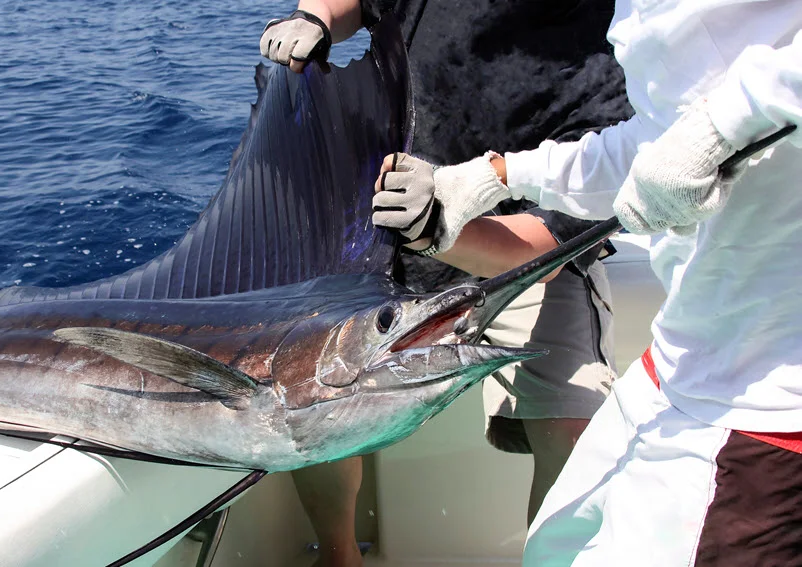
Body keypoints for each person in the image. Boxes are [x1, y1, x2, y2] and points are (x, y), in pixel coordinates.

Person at [373, 1, 802, 564]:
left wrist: (720, 126)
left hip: (766, 409)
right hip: (680, 361)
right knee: (558, 548)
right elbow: (652, 141)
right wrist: (495, 177)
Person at [260, 1, 631, 565]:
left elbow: (550, 242)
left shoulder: (610, 57)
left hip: (518, 255)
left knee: (575, 416)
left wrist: (442, 228)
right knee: (312, 386)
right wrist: (314, 18)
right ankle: (338, 555)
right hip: (384, 231)